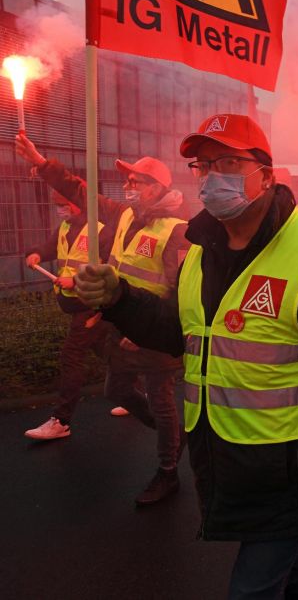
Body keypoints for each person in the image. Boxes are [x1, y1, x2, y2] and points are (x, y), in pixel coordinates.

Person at [74, 113, 298, 597]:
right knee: (293, 570)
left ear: (265, 172)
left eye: (227, 162)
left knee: (253, 589)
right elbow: (180, 332)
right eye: (202, 165)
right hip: (227, 459)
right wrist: (120, 299)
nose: (210, 176)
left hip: (291, 465)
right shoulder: (200, 249)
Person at [16, 132, 189, 506]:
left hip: (154, 334)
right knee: (117, 391)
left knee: (160, 399)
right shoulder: (125, 214)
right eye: (126, 180)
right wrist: (43, 162)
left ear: (156, 187)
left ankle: (167, 470)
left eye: (135, 181)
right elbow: (79, 192)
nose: (127, 186)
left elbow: (181, 293)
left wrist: (149, 333)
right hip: (124, 325)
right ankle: (174, 435)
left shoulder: (177, 230)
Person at [21, 189, 114, 440]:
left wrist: (75, 280)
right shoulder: (65, 227)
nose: (59, 209)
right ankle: (136, 392)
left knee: (71, 356)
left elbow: (112, 267)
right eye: (56, 205)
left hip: (92, 304)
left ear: (76, 202)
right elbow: (50, 247)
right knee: (107, 351)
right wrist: (37, 253)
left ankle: (61, 420)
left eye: (62, 204)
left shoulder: (101, 229)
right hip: (77, 304)